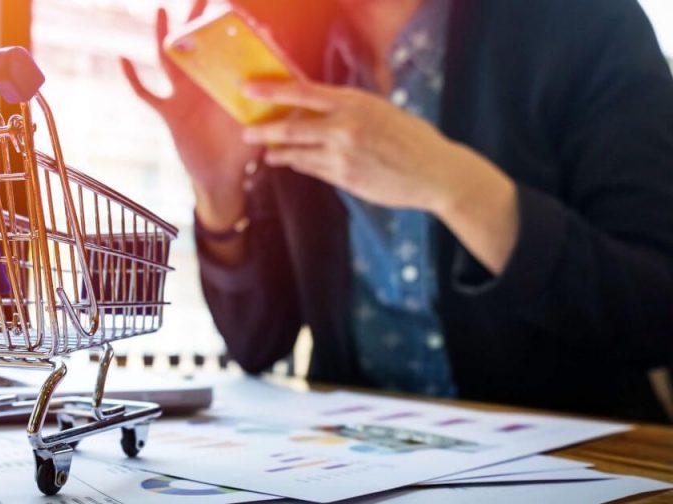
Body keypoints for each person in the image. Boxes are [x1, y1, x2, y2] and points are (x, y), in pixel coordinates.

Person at [120, 0, 673, 422]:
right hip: (362, 459)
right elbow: (257, 345)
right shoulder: (288, 48)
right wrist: (217, 187)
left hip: (580, 456)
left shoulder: (584, 22)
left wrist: (456, 186)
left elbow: (654, 311)